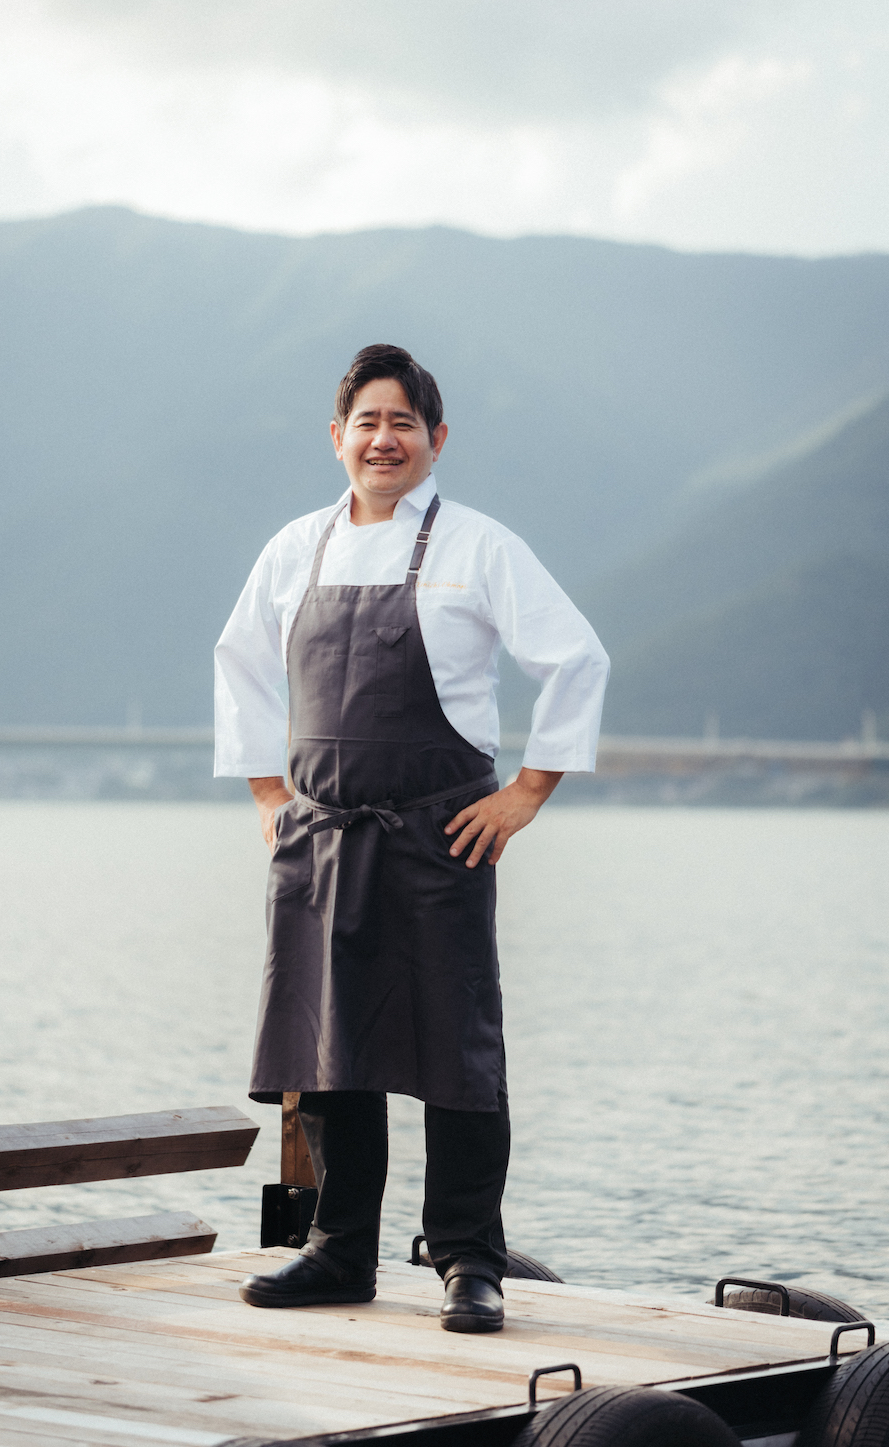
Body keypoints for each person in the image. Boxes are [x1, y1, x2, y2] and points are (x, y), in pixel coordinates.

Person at [214, 344, 609, 1333]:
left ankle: (468, 1259)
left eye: (403, 423)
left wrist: (525, 792)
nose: (383, 440)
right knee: (329, 1049)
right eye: (367, 422)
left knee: (456, 1052)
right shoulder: (295, 548)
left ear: (436, 438)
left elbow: (577, 659)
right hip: (320, 837)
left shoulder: (480, 547)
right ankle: (340, 1251)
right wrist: (267, 793)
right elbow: (240, 664)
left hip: (441, 838)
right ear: (337, 437)